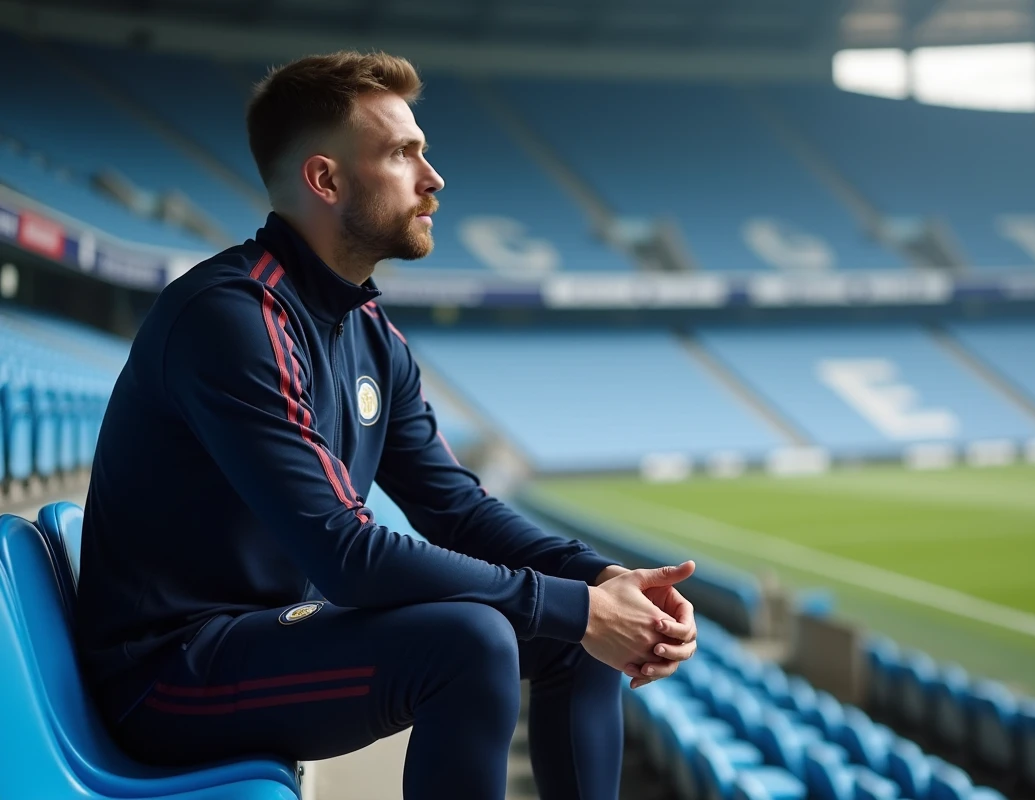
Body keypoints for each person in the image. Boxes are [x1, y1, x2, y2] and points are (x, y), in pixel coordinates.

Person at [75, 50, 698, 799]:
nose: (433, 180)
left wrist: (602, 581)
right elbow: (345, 552)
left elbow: (456, 508)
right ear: (325, 179)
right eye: (403, 154)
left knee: (574, 640)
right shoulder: (233, 317)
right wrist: (573, 604)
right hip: (169, 673)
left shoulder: (368, 329)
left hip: (271, 635)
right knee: (471, 642)